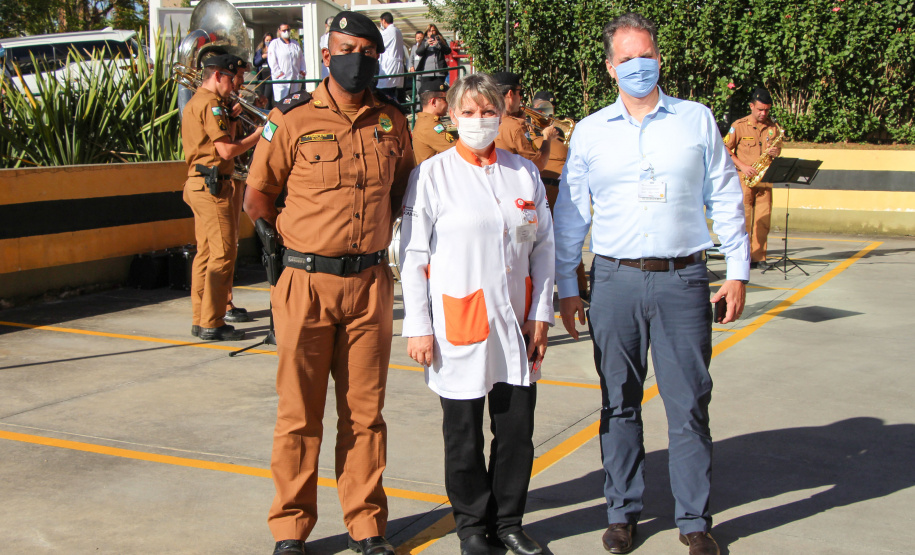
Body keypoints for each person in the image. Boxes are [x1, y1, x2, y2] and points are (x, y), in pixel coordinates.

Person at [553, 13, 749, 555]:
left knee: (688, 404)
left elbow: (726, 196)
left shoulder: (695, 120)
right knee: (618, 401)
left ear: (658, 58)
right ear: (611, 67)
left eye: (648, 55)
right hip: (614, 281)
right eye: (628, 58)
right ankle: (622, 512)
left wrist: (736, 271)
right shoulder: (591, 131)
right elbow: (571, 216)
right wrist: (569, 285)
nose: (639, 66)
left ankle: (693, 520)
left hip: (684, 279)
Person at [243, 11, 415, 555]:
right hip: (306, 284)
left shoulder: (392, 120)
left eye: (368, 50)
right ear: (325, 54)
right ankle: (290, 529)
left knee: (365, 414)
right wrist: (300, 246)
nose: (357, 58)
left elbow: (402, 191)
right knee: (299, 413)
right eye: (346, 48)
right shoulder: (289, 119)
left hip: (369, 284)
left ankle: (366, 525)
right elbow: (257, 198)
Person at [400, 72, 554, 555]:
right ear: (451, 117)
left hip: (517, 323)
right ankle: (471, 526)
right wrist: (419, 326)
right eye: (468, 112)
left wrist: (541, 314)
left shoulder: (522, 172)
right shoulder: (432, 174)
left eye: (488, 111)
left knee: (516, 433)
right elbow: (412, 256)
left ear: (502, 113)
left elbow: (544, 246)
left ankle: (508, 521)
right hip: (458, 325)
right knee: (462, 434)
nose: (479, 120)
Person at [181, 54, 262, 341]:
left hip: (201, 183)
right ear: (217, 75)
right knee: (223, 254)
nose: (236, 85)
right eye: (233, 78)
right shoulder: (211, 104)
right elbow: (227, 151)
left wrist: (236, 119)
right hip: (212, 186)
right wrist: (260, 136)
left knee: (205, 254)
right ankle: (212, 322)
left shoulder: (200, 103)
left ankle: (199, 318)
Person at [529, 90, 589, 300]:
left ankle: (576, 288)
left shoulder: (541, 138)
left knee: (542, 242)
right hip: (552, 189)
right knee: (563, 241)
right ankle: (580, 288)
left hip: (550, 190)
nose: (542, 113)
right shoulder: (538, 137)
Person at [724, 87, 782, 270]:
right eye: (760, 109)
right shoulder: (739, 125)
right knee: (744, 218)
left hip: (765, 178)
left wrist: (776, 151)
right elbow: (725, 149)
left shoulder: (773, 127)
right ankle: (743, 256)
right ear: (751, 106)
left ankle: (759, 257)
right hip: (745, 178)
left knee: (763, 218)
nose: (763, 113)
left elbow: (778, 148)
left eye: (766, 110)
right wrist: (742, 165)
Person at [492, 72, 557, 173]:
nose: (521, 97)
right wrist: (547, 138)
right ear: (510, 94)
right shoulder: (515, 126)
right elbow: (537, 165)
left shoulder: (487, 119)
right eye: (520, 93)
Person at [410, 79, 456, 164]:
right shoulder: (429, 126)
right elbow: (456, 149)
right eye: (445, 100)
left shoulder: (426, 121)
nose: (447, 104)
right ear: (434, 102)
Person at [267, 23, 307, 102]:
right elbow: (272, 61)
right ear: (279, 31)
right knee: (283, 101)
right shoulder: (275, 44)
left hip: (295, 77)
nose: (286, 32)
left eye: (288, 30)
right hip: (282, 79)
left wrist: (302, 70)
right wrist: (278, 73)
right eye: (284, 30)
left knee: (295, 100)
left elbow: (301, 58)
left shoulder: (295, 43)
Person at [377, 12, 405, 103]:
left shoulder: (388, 32)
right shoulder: (398, 31)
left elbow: (378, 44)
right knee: (391, 91)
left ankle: (395, 111)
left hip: (389, 66)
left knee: (385, 93)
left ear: (383, 20)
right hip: (395, 65)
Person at [253, 33, 274, 107]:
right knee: (261, 97)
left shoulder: (274, 50)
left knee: (267, 97)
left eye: (270, 40)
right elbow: (255, 62)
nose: (268, 42)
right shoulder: (260, 51)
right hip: (261, 76)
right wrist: (263, 57)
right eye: (267, 40)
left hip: (270, 76)